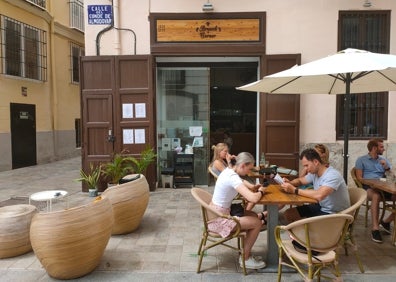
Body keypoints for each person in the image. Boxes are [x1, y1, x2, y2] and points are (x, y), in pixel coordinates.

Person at [210, 152, 267, 269]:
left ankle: (246, 252)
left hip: (216, 212)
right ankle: (245, 259)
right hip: (218, 219)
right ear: (242, 166)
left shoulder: (229, 170)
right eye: (249, 169)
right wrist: (261, 190)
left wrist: (251, 188)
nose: (249, 172)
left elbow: (240, 181)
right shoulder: (232, 177)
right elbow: (252, 198)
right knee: (256, 223)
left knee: (253, 215)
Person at [280, 148, 350, 223]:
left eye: (307, 165)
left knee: (300, 222)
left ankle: (307, 232)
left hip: (335, 214)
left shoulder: (332, 175)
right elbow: (300, 180)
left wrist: (294, 190)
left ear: (316, 162)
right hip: (322, 207)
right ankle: (301, 232)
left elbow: (319, 195)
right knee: (289, 214)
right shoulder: (314, 173)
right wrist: (290, 183)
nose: (306, 169)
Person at [355, 138, 395, 243]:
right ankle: (375, 228)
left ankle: (386, 221)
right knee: (376, 196)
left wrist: (386, 168)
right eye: (381, 147)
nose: (384, 149)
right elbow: (359, 178)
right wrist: (372, 183)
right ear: (374, 148)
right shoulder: (361, 160)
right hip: (368, 188)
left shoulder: (383, 160)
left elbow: (391, 175)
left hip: (384, 186)